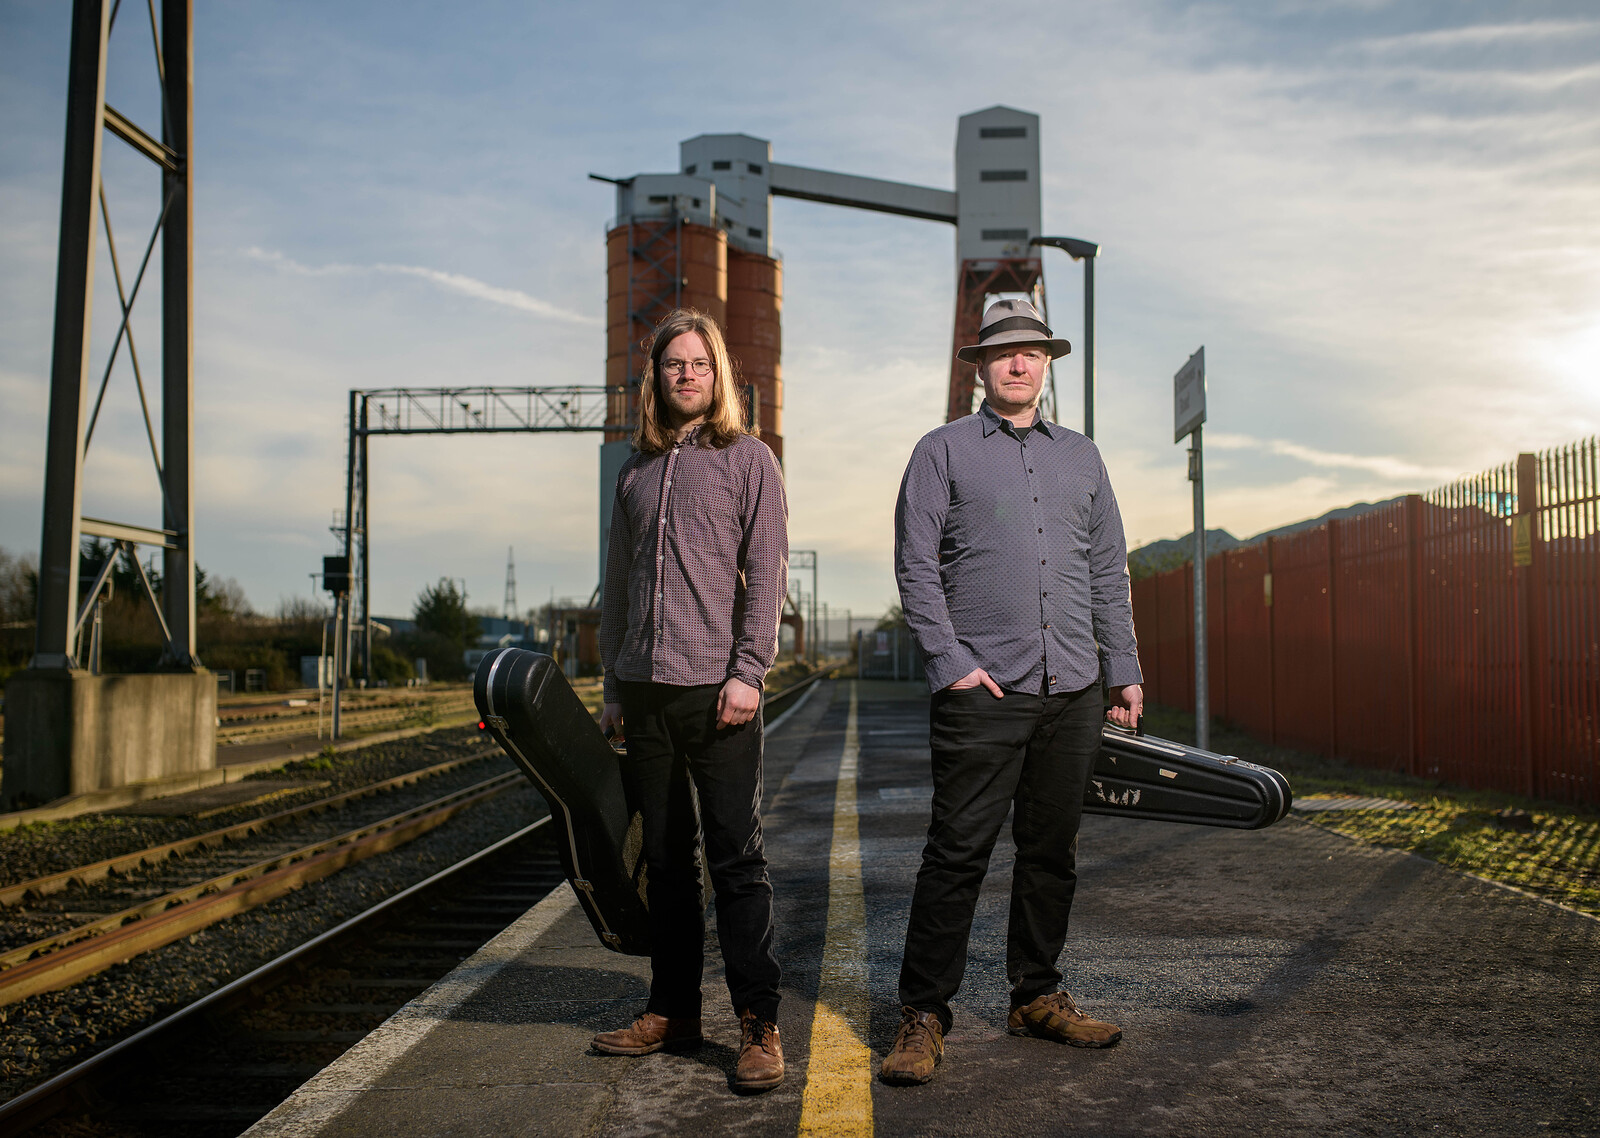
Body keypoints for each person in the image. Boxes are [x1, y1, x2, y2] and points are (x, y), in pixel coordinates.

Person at [879, 298, 1144, 1085]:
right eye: (1004, 354)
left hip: (1074, 687)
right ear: (981, 368)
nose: (1019, 363)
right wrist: (950, 662)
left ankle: (1035, 995)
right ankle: (924, 1013)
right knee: (956, 855)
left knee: (1051, 852)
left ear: (1049, 363)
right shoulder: (942, 451)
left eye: (1032, 352)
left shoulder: (1084, 458)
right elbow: (916, 566)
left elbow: (1107, 572)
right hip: (983, 690)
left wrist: (1121, 669)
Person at [593, 308, 789, 1093]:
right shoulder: (634, 471)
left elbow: (766, 573)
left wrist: (749, 671)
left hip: (719, 695)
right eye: (672, 364)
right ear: (657, 378)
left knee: (737, 860)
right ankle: (673, 1010)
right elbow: (617, 583)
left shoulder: (749, 461)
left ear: (719, 375)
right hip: (645, 695)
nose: (685, 375)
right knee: (668, 865)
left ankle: (758, 1023)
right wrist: (612, 679)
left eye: (698, 363)